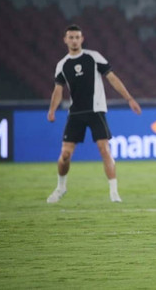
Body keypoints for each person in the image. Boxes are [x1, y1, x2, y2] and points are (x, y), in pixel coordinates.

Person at [46, 24, 142, 203]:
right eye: (71, 37)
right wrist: (52, 110)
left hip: (96, 110)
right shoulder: (62, 65)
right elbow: (58, 90)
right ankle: (61, 187)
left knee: (104, 149)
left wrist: (129, 98)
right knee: (65, 154)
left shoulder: (93, 57)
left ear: (82, 39)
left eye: (77, 37)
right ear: (65, 40)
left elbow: (112, 78)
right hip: (75, 113)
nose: (74, 40)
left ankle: (114, 192)